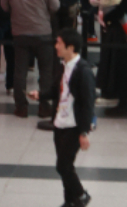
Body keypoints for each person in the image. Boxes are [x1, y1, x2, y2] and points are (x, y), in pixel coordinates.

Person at [0, 0, 60, 119]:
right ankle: (44, 106)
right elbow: (55, 6)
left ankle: (21, 107)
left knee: (20, 71)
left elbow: (4, 6)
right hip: (43, 32)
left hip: (20, 32)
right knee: (46, 71)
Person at [52, 28, 96, 207]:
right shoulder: (63, 66)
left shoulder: (83, 71)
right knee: (66, 165)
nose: (56, 46)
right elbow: (58, 90)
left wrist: (84, 131)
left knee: (62, 166)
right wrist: (41, 94)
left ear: (70, 48)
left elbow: (87, 102)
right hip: (60, 123)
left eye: (59, 43)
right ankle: (69, 201)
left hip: (74, 125)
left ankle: (81, 195)